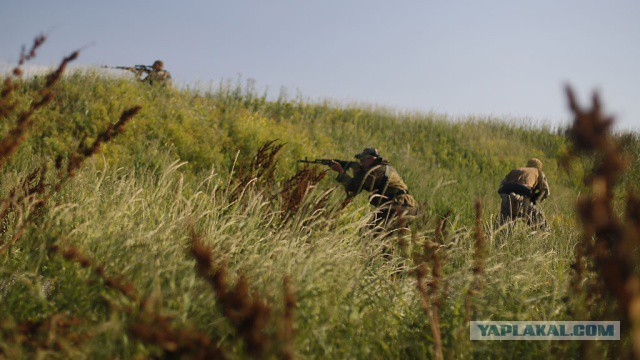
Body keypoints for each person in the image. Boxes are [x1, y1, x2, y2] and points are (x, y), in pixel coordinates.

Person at [329, 147, 419, 231]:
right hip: (409, 206)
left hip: (397, 206)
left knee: (369, 234)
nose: (361, 163)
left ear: (370, 159)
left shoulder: (375, 171)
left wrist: (341, 172)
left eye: (362, 160)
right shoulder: (386, 168)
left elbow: (354, 187)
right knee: (390, 239)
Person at [498, 158, 550, 229]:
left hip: (507, 195)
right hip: (524, 197)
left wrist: (505, 197)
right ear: (539, 166)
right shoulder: (538, 172)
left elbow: (502, 185)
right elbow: (546, 191)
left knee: (502, 229)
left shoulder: (516, 169)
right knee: (542, 226)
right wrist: (534, 200)